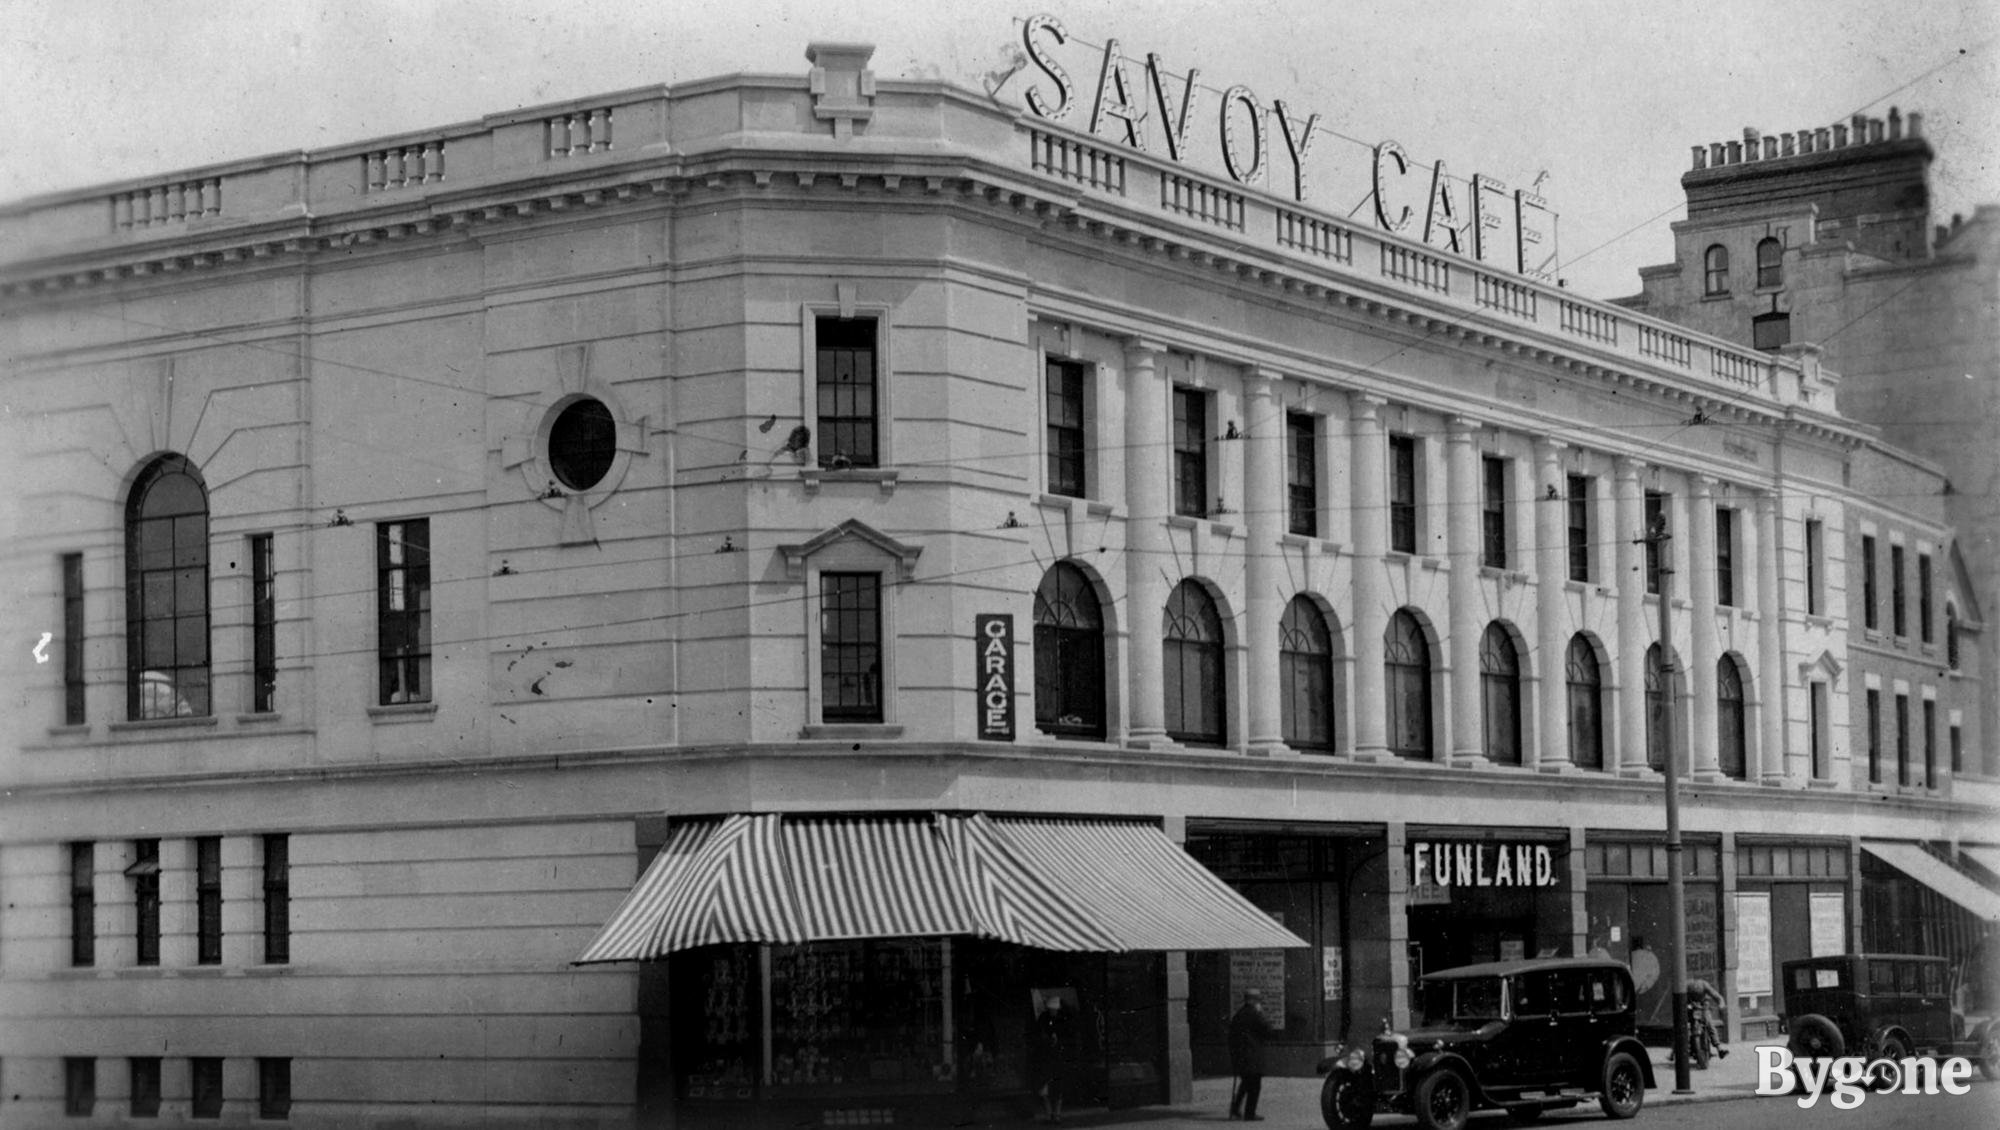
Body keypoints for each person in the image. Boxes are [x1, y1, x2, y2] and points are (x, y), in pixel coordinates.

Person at [1030, 992, 1076, 1124]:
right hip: (1049, 1057)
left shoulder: (1059, 1020)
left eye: (1054, 1009)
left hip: (1055, 1057)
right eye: (1051, 1009)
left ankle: (1055, 1114)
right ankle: (1051, 1114)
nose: (1053, 1011)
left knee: (1056, 1087)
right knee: (1047, 1087)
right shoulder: (1045, 1019)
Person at [1227, 988, 1273, 1121]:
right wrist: (1262, 1013)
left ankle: (1235, 1108)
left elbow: (1231, 1037)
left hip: (1241, 1056)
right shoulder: (1256, 1014)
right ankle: (1249, 1112)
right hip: (1253, 1056)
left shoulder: (1239, 1015)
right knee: (1254, 1086)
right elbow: (1268, 1030)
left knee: (1246, 1083)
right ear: (1254, 1001)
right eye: (1258, 1000)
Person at [1685, 977, 1728, 1059]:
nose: (1696, 997)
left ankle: (1719, 1049)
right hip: (1691, 1010)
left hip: (1703, 1009)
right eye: (1694, 995)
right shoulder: (1687, 986)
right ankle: (1674, 1052)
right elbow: (1682, 999)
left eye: (1699, 995)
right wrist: (1686, 1006)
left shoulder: (1705, 985)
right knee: (1682, 1028)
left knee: (1710, 1025)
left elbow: (1717, 996)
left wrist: (1721, 1004)